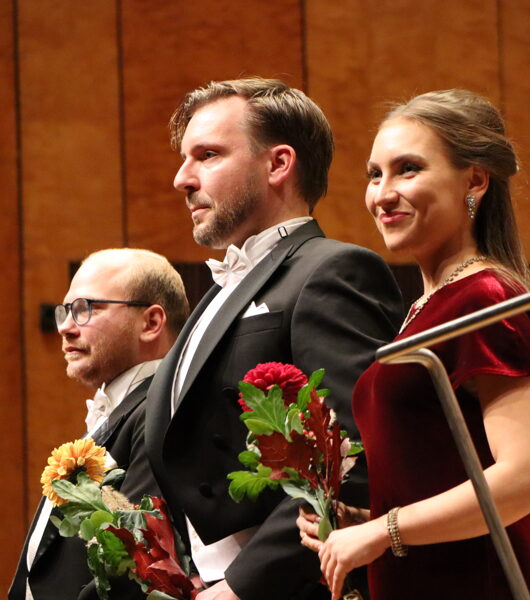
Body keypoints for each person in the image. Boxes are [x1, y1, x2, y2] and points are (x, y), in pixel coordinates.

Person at [145, 77, 404, 600]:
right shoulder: (217, 292)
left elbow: (353, 451)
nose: (181, 179)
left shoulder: (333, 271)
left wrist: (243, 586)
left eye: (208, 155)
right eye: (184, 159)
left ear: (278, 164)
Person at [297, 89, 530, 600]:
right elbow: (437, 470)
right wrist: (361, 520)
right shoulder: (427, 307)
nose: (382, 193)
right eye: (375, 174)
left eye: (408, 169)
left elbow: (528, 477)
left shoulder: (485, 297)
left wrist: (383, 530)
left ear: (475, 181)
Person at [9, 248, 190, 600]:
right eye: (65, 311)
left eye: (85, 309)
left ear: (151, 323)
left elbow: (134, 562)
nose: (65, 327)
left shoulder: (164, 410)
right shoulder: (126, 407)